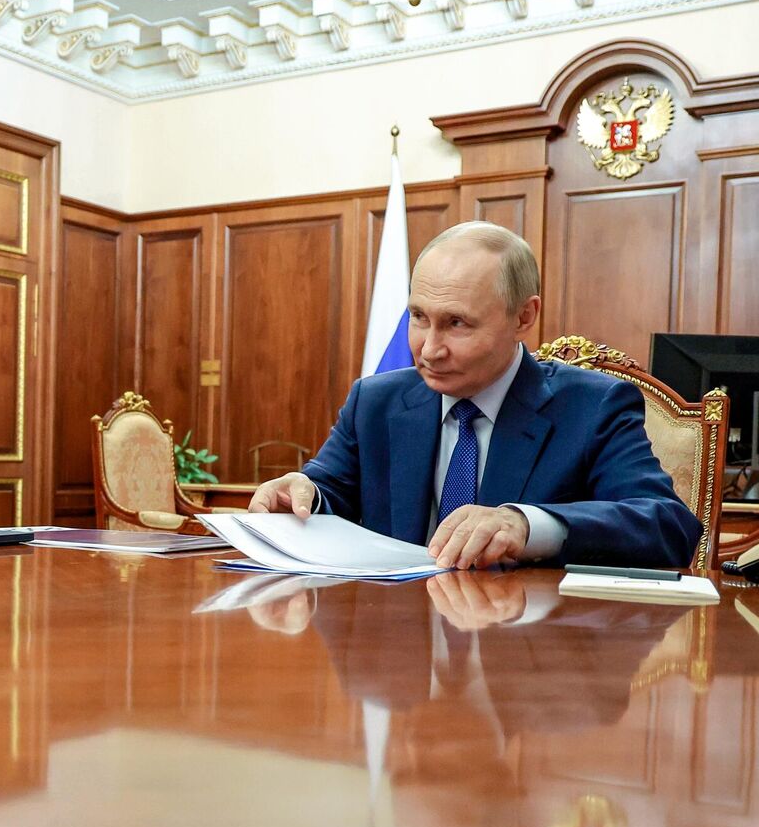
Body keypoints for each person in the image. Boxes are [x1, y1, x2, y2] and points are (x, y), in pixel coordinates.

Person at [247, 221, 699, 569]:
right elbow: (330, 492)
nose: (429, 349)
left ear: (523, 317)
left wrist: (526, 525)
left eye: (456, 323)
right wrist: (303, 495)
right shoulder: (376, 401)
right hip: (397, 640)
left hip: (529, 646)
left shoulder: (593, 406)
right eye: (419, 317)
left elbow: (668, 525)